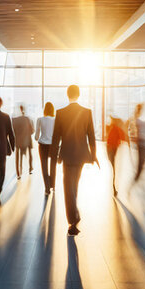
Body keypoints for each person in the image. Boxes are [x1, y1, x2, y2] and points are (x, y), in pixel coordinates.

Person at [51, 85, 97, 236]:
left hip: (67, 155)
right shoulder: (87, 112)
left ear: (67, 95)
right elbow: (91, 136)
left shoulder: (61, 113)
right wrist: (93, 155)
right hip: (81, 155)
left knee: (67, 185)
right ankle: (74, 215)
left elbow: (56, 137)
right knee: (74, 185)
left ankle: (73, 220)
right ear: (78, 94)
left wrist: (54, 156)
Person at [35, 102, 57, 196]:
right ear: (52, 110)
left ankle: (47, 189)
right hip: (53, 145)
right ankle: (53, 185)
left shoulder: (40, 119)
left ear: (45, 110)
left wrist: (39, 137)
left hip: (43, 145)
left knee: (44, 167)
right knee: (53, 166)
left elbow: (36, 136)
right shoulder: (56, 120)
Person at [13, 105, 35, 179]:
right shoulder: (27, 119)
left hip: (18, 140)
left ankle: (18, 172)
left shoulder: (14, 119)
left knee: (18, 156)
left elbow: (13, 131)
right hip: (27, 139)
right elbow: (32, 130)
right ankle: (30, 168)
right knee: (30, 153)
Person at [105, 116, 126, 196]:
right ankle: (113, 188)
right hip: (111, 150)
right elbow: (124, 138)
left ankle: (113, 188)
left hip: (109, 149)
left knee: (114, 169)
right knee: (114, 170)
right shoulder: (117, 129)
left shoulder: (113, 128)